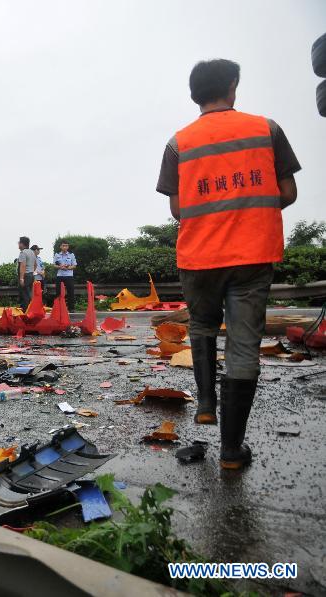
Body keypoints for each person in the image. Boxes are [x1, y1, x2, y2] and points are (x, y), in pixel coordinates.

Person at [156, 59, 299, 470]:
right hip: (253, 253)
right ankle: (232, 451)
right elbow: (288, 192)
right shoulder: (267, 130)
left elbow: (178, 209)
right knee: (243, 344)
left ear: (194, 94)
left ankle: (206, 402)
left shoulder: (178, 143)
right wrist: (247, 206)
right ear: (233, 86)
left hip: (199, 255)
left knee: (202, 324)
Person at [53, 241, 76, 311]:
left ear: (68, 247)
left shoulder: (71, 255)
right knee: (58, 292)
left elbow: (74, 265)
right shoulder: (57, 255)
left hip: (69, 276)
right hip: (60, 276)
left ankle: (71, 308)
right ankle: (58, 308)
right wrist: (60, 267)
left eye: (66, 246)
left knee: (70, 292)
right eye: (63, 245)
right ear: (60, 246)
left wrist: (68, 267)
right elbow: (54, 265)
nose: (65, 247)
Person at [16, 237, 35, 310]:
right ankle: (30, 310)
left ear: (22, 244)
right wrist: (31, 271)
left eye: (19, 242)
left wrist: (21, 278)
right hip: (31, 275)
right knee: (29, 294)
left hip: (25, 276)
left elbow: (22, 265)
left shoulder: (23, 253)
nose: (18, 244)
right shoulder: (32, 252)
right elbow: (35, 264)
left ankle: (25, 311)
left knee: (24, 295)